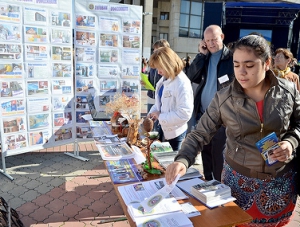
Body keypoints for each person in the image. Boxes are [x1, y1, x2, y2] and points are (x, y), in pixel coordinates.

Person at [165, 35, 299, 227]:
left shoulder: (288, 91)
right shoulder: (224, 98)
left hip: (281, 184)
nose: (241, 72)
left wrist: (290, 142)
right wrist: (183, 159)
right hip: (239, 184)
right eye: (236, 65)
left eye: (249, 65)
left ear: (267, 63)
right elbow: (199, 133)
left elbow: (298, 124)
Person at [187, 25, 235, 181]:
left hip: (222, 117)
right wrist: (201, 55)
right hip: (204, 114)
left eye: (214, 39)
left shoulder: (232, 58)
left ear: (222, 37)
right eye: (207, 41)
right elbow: (191, 76)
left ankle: (219, 187)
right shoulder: (205, 57)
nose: (211, 43)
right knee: (205, 152)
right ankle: (208, 181)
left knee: (218, 155)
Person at [147, 47, 193, 151]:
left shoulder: (182, 83)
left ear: (168, 65)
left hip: (176, 134)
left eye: (160, 68)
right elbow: (160, 103)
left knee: (171, 164)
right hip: (164, 129)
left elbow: (185, 113)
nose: (158, 72)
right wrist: (153, 113)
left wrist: (161, 116)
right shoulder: (165, 79)